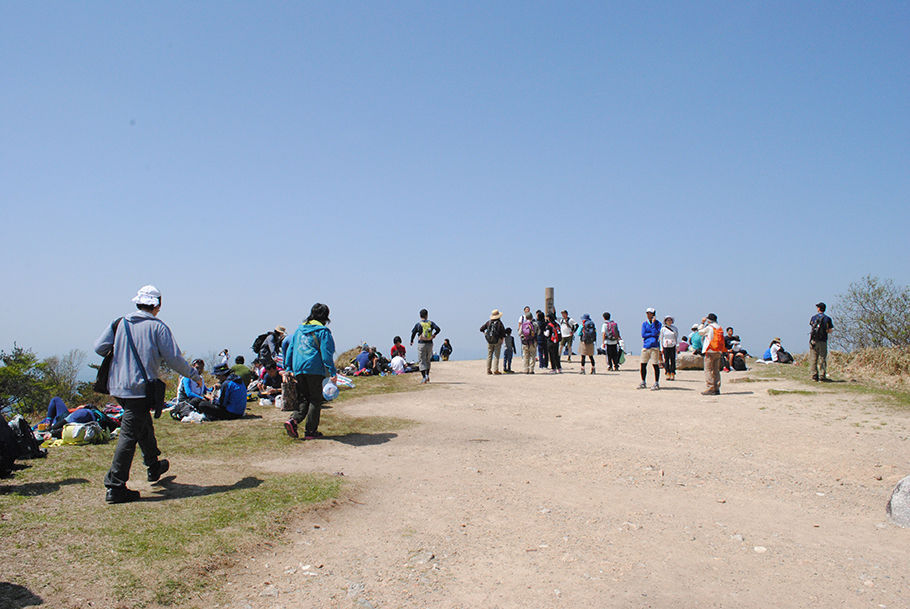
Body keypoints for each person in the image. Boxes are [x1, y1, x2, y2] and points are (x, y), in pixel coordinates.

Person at [93, 285, 200, 504]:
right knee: (129, 434)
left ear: (137, 302)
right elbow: (173, 359)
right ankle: (115, 486)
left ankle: (153, 466)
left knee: (141, 422)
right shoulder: (158, 327)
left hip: (118, 387)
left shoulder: (119, 323)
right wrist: (193, 374)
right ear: (157, 305)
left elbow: (99, 348)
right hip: (140, 389)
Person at [283, 303, 337, 440]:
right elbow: (326, 354)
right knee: (315, 399)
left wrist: (288, 368)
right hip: (314, 368)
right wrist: (332, 371)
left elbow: (290, 349)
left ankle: (293, 420)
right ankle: (311, 431)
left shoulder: (299, 330)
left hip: (298, 368)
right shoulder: (323, 331)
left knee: (303, 398)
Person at [410, 308, 441, 384]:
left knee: (421, 360)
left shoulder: (418, 324)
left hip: (421, 343)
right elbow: (438, 329)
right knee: (428, 360)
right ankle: (427, 375)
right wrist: (434, 335)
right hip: (430, 343)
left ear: (420, 316)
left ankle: (424, 377)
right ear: (427, 315)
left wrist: (411, 341)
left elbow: (413, 333)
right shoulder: (431, 323)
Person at [699, 313, 725, 395]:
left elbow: (700, 332)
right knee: (716, 370)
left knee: (708, 370)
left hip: (710, 350)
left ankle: (710, 387)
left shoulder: (709, 327)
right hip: (718, 351)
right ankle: (717, 387)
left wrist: (702, 323)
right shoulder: (719, 327)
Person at [809, 301, 834, 381]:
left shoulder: (813, 317)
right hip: (823, 340)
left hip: (814, 340)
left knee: (813, 358)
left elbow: (812, 326)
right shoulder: (827, 319)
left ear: (819, 308)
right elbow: (830, 330)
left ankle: (814, 375)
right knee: (822, 358)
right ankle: (822, 376)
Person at [638, 307, 662, 390]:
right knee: (643, 364)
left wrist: (653, 325)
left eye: (650, 313)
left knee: (655, 365)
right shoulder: (644, 324)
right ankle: (643, 381)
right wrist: (651, 334)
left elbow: (656, 333)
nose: (648, 315)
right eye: (647, 313)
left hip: (654, 346)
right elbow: (643, 335)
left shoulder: (658, 323)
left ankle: (656, 383)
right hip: (646, 346)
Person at [480, 309, 506, 375]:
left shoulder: (488, 322)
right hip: (497, 341)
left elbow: (481, 329)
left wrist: (485, 334)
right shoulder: (499, 323)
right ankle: (495, 370)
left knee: (489, 355)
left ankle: (488, 370)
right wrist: (502, 339)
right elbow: (503, 333)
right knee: (496, 356)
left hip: (489, 341)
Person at [660, 316, 679, 381]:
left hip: (673, 345)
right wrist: (661, 348)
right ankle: (667, 372)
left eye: (670, 320)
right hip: (665, 345)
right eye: (667, 320)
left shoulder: (675, 328)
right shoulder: (663, 329)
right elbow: (661, 338)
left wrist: (677, 346)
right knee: (666, 360)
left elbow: (676, 337)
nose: (669, 321)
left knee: (673, 360)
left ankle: (673, 373)